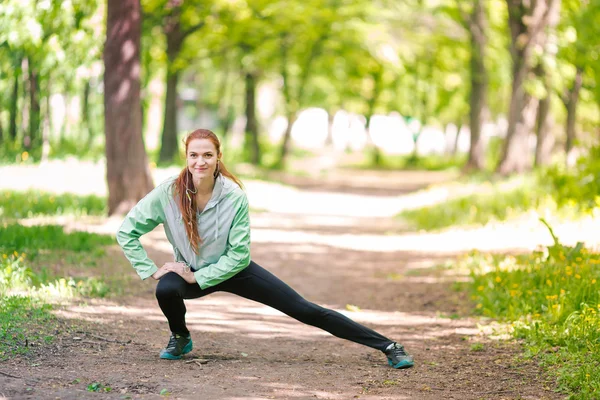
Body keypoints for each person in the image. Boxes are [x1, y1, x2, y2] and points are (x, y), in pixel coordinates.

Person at [116, 128, 414, 369]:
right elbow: (127, 231)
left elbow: (239, 255)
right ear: (186, 157)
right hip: (190, 269)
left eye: (208, 155)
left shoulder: (234, 196)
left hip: (234, 270)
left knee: (304, 309)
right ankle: (180, 337)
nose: (200, 162)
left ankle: (389, 346)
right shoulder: (168, 193)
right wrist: (151, 270)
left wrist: (200, 278)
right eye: (194, 155)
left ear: (219, 157)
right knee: (166, 289)